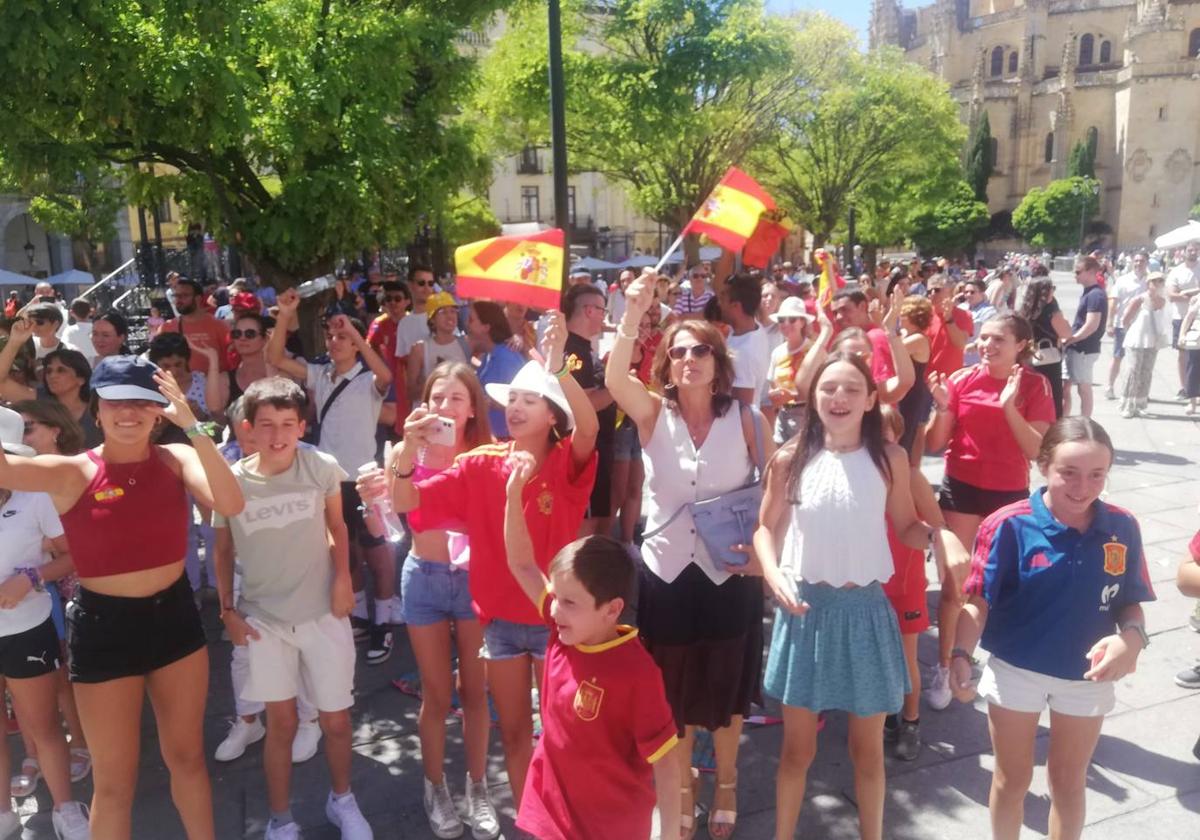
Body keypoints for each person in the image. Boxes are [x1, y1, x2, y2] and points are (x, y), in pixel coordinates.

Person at [0, 355, 243, 839]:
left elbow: (231, 502)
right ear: (96, 409)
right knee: (114, 782)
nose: (128, 413)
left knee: (188, 759)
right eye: (115, 402)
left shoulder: (180, 456)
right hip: (104, 628)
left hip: (174, 619)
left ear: (160, 411)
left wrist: (193, 425)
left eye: (142, 403)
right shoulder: (71, 472)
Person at [384, 312, 598, 812]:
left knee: (563, 737)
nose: (518, 409)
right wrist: (406, 453)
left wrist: (560, 362)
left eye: (531, 401)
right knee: (517, 736)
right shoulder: (479, 464)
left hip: (557, 623)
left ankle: (562, 820)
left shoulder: (568, 464)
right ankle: (529, 822)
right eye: (513, 401)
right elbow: (405, 502)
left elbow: (588, 424)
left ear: (552, 416)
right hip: (499, 624)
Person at [754, 353, 969, 840]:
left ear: (872, 399)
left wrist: (940, 536)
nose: (839, 397)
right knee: (796, 752)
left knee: (867, 752)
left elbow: (907, 527)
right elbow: (765, 531)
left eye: (852, 388)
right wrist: (773, 572)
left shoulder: (889, 459)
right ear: (813, 396)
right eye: (829, 387)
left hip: (865, 614)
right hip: (805, 612)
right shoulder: (790, 459)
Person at [605, 273, 773, 840]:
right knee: (669, 689)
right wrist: (633, 312)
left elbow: (776, 500)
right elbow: (611, 377)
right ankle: (680, 788)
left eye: (701, 349)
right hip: (666, 574)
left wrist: (765, 559)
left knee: (726, 687)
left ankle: (725, 781)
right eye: (678, 352)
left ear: (719, 362)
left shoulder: (749, 421)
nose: (689, 359)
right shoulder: (653, 416)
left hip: (732, 574)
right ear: (667, 365)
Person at [950, 418, 1155, 840]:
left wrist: (1131, 639)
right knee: (1012, 778)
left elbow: (1130, 600)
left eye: (1097, 474)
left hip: (1087, 676)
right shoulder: (1007, 524)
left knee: (1067, 781)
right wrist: (959, 655)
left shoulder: (1123, 526)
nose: (1082, 487)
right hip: (1017, 670)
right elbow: (978, 602)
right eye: (1069, 473)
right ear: (1043, 466)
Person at [213, 377, 373, 840]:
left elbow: (338, 528)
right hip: (264, 620)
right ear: (249, 428)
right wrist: (227, 609)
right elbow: (222, 552)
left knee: (336, 720)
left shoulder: (320, 466)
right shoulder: (232, 482)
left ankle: (342, 799)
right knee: (280, 724)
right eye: (267, 425)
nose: (278, 435)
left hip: (323, 611)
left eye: (288, 423)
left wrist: (344, 579)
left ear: (303, 426)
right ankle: (281, 818)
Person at [502, 456, 681, 840]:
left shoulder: (637, 672)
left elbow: (666, 763)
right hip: (551, 810)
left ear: (612, 610)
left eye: (569, 602)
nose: (552, 608)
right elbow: (520, 563)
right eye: (555, 596)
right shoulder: (563, 628)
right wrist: (513, 494)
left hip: (612, 825)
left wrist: (667, 835)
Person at [360, 363, 500, 839]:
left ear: (472, 407)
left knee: (476, 693)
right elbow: (390, 522)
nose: (445, 408)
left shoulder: (486, 453)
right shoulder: (404, 452)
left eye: (456, 398)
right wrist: (375, 493)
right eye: (438, 398)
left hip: (474, 581)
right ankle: (434, 786)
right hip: (423, 578)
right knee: (437, 695)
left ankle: (477, 787)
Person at [923, 314, 1056, 711]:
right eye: (984, 338)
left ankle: (993, 662)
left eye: (998, 339)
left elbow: (1037, 452)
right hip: (960, 486)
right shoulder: (962, 380)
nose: (987, 345)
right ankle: (945, 666)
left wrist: (1009, 406)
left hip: (1008, 494)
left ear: (1021, 345)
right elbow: (934, 442)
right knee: (954, 587)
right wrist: (943, 408)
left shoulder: (1035, 384)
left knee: (994, 588)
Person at [266, 289, 396, 666]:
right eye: (332, 335)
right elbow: (275, 358)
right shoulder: (320, 373)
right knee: (344, 549)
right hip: (329, 478)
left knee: (377, 551)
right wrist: (284, 315)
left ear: (357, 344)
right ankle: (356, 615)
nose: (336, 341)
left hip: (365, 477)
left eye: (344, 336)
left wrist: (357, 335)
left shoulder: (367, 377)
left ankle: (383, 621)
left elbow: (386, 376)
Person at [0, 406, 91, 840]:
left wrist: (31, 578)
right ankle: (3, 813)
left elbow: (74, 555)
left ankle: (65, 810)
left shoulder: (35, 498)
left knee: (44, 727)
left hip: (27, 630)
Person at [562, 283, 616, 537]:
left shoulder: (582, 348)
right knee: (585, 525)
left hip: (598, 447)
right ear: (588, 310)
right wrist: (619, 385)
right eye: (602, 310)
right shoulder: (574, 352)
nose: (604, 317)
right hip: (586, 450)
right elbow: (584, 405)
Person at [0, 323, 103, 448]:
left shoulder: (99, 409)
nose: (52, 375)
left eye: (61, 370)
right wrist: (15, 342)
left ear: (81, 379)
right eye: (49, 371)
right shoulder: (41, 400)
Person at [467, 300, 524, 439]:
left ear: (486, 327)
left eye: (471, 320)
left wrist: (487, 402)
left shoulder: (507, 357)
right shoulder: (489, 354)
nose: (467, 324)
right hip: (492, 436)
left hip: (505, 439)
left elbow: (521, 403)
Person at [1118, 272, 1172, 418]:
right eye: (1155, 281)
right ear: (1148, 283)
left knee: (1146, 372)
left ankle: (1140, 403)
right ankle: (1127, 404)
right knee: (1133, 371)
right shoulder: (1140, 299)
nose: (1158, 284)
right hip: (1136, 339)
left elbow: (1163, 320)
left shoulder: (1162, 301)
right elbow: (1126, 318)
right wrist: (1131, 331)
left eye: (1161, 281)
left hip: (1152, 341)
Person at [1020, 275, 1072, 418]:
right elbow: (1066, 333)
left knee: (1033, 394)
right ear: (1044, 292)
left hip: (1029, 358)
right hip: (1048, 361)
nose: (1053, 292)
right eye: (1052, 289)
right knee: (1052, 396)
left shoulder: (1025, 311)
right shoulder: (1051, 313)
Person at [1062, 257, 1108, 418]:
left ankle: (1085, 422)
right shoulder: (1090, 292)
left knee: (1084, 387)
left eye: (1078, 271)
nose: (1075, 275)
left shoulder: (1095, 295)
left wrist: (1071, 339)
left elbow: (1091, 325)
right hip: (1079, 348)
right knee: (1069, 385)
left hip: (1084, 349)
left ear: (1090, 272)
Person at [765, 297, 814, 444]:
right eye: (781, 320)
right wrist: (773, 396)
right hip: (782, 414)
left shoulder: (812, 351)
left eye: (792, 319)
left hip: (806, 415)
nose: (786, 324)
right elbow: (772, 384)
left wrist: (792, 395)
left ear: (802, 322)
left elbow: (820, 388)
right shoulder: (777, 352)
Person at [406, 292, 470, 405]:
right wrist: (438, 377)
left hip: (459, 411)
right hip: (431, 413)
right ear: (432, 320)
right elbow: (410, 393)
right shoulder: (419, 349)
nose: (450, 316)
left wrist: (511, 339)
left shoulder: (467, 343)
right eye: (443, 312)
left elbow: (492, 344)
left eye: (453, 311)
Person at [720, 273, 772, 408]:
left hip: (737, 427)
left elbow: (742, 408)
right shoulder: (753, 327)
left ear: (736, 306)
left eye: (723, 298)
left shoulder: (743, 353)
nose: (719, 303)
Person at [160, 279, 232, 374]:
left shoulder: (219, 326)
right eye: (176, 296)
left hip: (214, 385)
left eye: (184, 295)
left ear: (198, 298)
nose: (179, 299)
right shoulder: (167, 328)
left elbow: (230, 359)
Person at [1105, 250, 1149, 400]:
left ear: (1147, 263)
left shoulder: (1150, 281)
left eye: (1141, 261)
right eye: (1136, 261)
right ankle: (1109, 386)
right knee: (1118, 356)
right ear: (1132, 262)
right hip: (1123, 324)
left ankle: (1139, 391)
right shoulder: (1123, 280)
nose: (1138, 264)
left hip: (1143, 326)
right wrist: (1110, 323)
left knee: (1141, 359)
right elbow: (1113, 301)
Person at [896, 295, 933, 459]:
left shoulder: (918, 339)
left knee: (904, 438)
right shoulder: (904, 334)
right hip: (903, 391)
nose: (899, 316)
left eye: (903, 313)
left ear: (913, 317)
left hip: (912, 394)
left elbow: (890, 352)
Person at [1167, 243, 1200, 398]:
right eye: (1190, 250)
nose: (1193, 252)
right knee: (1182, 353)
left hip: (1198, 319)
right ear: (1184, 252)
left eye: (1196, 250)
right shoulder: (1177, 271)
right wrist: (1191, 295)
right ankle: (1184, 387)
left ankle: (1196, 388)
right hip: (1180, 317)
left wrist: (1188, 292)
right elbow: (1172, 295)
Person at [924, 275, 973, 379]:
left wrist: (949, 319)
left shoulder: (963, 315)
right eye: (929, 291)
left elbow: (960, 344)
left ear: (950, 292)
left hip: (950, 378)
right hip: (926, 378)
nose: (932, 294)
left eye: (937, 290)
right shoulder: (923, 315)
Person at [960, 279, 998, 367]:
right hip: (959, 357)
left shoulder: (990, 312)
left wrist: (975, 345)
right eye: (966, 292)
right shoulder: (960, 308)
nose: (968, 295)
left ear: (982, 293)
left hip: (976, 359)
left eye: (972, 292)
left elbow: (990, 334)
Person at [1178, 293, 1200, 415]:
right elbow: (1188, 317)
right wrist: (1182, 334)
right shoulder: (1198, 299)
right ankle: (1192, 402)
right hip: (1197, 339)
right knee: (1193, 370)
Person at [60, 299, 95, 364]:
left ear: (71, 313)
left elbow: (64, 348)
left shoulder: (68, 331)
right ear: (91, 312)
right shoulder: (97, 329)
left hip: (77, 367)